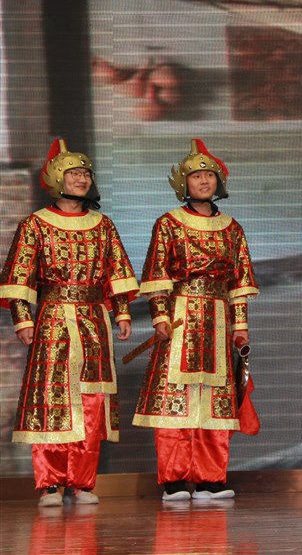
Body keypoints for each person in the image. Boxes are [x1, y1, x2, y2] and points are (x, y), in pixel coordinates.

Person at [0, 139, 138, 506]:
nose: (82, 179)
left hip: (94, 321)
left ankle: (81, 482)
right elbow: (19, 277)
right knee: (52, 398)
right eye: (74, 173)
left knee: (91, 400)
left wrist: (122, 311)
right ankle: (49, 483)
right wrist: (22, 319)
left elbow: (116, 271)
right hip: (53, 320)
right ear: (57, 177)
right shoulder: (35, 225)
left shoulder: (102, 225)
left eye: (85, 174)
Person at [133, 139, 259, 501]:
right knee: (177, 397)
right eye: (196, 176)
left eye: (209, 175)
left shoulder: (232, 228)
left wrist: (240, 329)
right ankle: (174, 479)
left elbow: (239, 284)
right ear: (184, 184)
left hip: (218, 320)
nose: (204, 181)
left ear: (219, 181)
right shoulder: (168, 224)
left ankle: (211, 478)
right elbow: (156, 275)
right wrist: (160, 316)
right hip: (181, 317)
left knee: (214, 399)